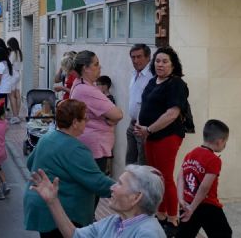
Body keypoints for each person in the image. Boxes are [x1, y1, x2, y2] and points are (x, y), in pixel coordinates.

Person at [24, 99, 115, 237]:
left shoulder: (47, 137)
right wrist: (125, 189)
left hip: (41, 206)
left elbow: (30, 163)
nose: (88, 121)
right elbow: (98, 182)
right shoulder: (76, 149)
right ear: (75, 123)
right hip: (63, 213)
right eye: (85, 118)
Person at [133, 46, 189, 234]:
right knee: (156, 177)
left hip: (167, 136)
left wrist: (148, 129)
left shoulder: (176, 84)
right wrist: (141, 126)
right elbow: (145, 105)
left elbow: (172, 113)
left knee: (165, 177)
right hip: (149, 136)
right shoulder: (152, 81)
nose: (160, 64)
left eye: (165, 61)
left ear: (173, 65)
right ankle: (161, 214)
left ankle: (173, 219)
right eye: (157, 61)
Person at [29, 165, 166, 238]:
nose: (112, 187)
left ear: (136, 197)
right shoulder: (114, 222)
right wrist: (53, 201)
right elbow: (75, 235)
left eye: (119, 184)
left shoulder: (148, 233)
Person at [70, 50, 123, 182]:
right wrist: (109, 117)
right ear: (85, 68)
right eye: (96, 64)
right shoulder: (87, 90)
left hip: (91, 145)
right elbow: (117, 114)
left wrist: (108, 117)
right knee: (93, 191)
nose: (99, 67)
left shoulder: (80, 84)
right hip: (93, 147)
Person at [177, 120, 232, 238]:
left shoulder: (190, 154)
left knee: (184, 234)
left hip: (187, 203)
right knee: (224, 234)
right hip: (207, 206)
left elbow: (180, 177)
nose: (225, 145)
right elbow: (204, 187)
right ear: (219, 141)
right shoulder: (214, 160)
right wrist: (192, 209)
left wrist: (181, 199)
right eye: (225, 142)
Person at [126, 44, 153, 166]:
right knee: (130, 163)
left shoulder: (152, 76)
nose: (135, 60)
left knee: (142, 164)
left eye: (139, 57)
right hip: (132, 124)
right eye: (133, 57)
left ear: (148, 57)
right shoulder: (135, 73)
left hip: (143, 126)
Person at [0, 47, 15, 122]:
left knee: (1, 102)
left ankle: (1, 117)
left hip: (2, 87)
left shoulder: (0, 64)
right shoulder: (7, 63)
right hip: (8, 85)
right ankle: (6, 116)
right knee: (4, 102)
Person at [7, 37, 23, 120]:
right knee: (17, 94)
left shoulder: (13, 53)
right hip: (18, 74)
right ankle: (18, 114)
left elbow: (10, 64)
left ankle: (15, 115)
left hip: (12, 74)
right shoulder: (19, 52)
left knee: (11, 95)